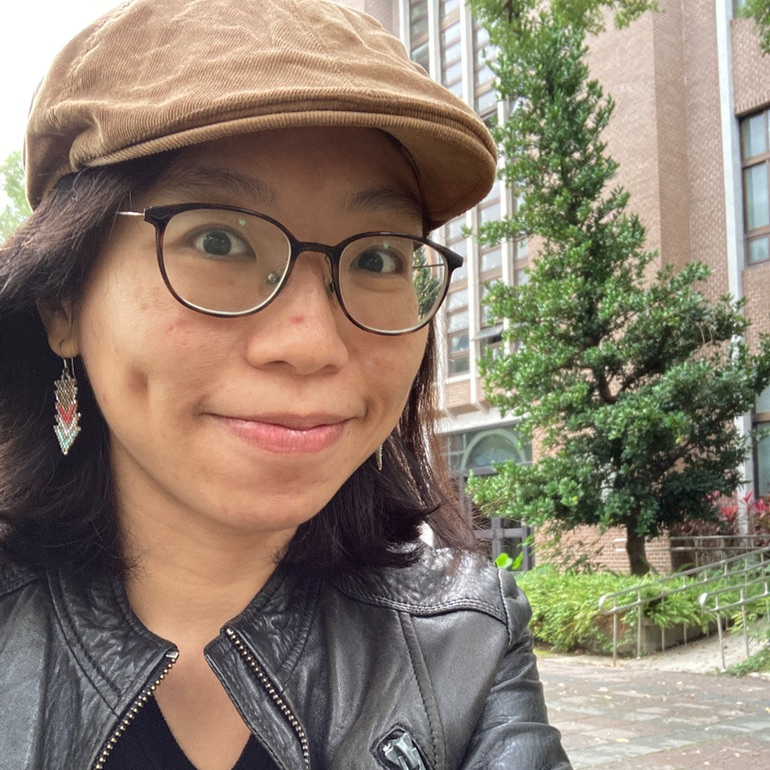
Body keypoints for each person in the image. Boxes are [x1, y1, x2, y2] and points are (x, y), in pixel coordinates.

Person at [0, 0, 573, 768]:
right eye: (218, 240)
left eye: (378, 258)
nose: (312, 343)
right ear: (62, 303)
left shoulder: (466, 637)